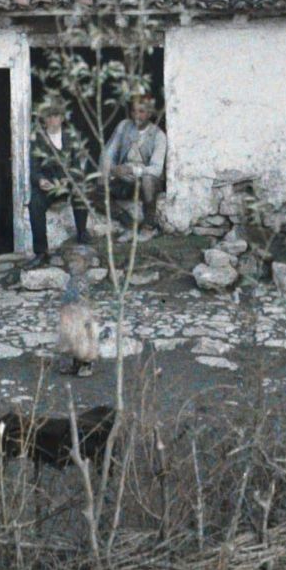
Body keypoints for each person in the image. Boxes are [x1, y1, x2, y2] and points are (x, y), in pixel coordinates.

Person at [28, 100, 92, 267]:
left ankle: (82, 232)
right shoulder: (38, 139)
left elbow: (78, 166)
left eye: (55, 116)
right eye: (48, 116)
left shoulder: (71, 137)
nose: (52, 120)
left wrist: (69, 178)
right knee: (34, 203)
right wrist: (41, 180)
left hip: (66, 182)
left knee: (81, 188)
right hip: (48, 185)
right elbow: (33, 168)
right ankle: (41, 252)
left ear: (62, 118)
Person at [100, 94, 169, 240]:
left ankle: (149, 226)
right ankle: (129, 224)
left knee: (148, 180)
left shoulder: (158, 135)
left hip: (146, 183)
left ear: (150, 113)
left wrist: (133, 170)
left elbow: (156, 168)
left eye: (142, 111)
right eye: (134, 111)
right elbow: (108, 153)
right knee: (94, 190)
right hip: (124, 180)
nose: (137, 115)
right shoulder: (124, 126)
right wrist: (113, 169)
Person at [55, 244, 100, 378]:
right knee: (71, 339)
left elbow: (85, 300)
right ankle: (75, 363)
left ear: (85, 263)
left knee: (83, 340)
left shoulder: (83, 281)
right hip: (71, 314)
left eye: (77, 262)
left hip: (80, 315)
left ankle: (86, 364)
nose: (72, 265)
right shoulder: (72, 281)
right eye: (71, 262)